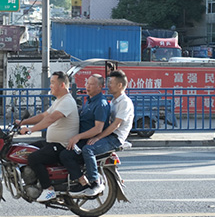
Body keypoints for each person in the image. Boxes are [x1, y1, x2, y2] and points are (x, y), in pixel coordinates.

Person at [18, 71, 79, 202]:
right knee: (24, 149)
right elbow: (44, 116)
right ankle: (32, 180)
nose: (50, 86)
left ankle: (48, 189)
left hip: (61, 146)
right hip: (51, 142)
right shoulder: (59, 101)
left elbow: (51, 119)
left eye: (52, 83)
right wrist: (22, 123)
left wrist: (30, 130)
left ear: (62, 85)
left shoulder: (67, 101)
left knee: (34, 158)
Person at [72, 69, 134, 197]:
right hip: (108, 135)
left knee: (88, 149)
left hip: (115, 138)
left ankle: (94, 182)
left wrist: (98, 137)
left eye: (111, 83)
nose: (108, 85)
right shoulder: (114, 101)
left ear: (120, 85)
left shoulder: (125, 102)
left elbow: (115, 125)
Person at [59, 74, 110, 196]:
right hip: (80, 138)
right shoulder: (89, 101)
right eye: (87, 83)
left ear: (100, 87)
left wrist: (78, 137)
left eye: (91, 84)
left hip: (86, 141)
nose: (87, 86)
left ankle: (85, 183)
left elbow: (98, 128)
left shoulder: (101, 104)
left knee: (66, 155)